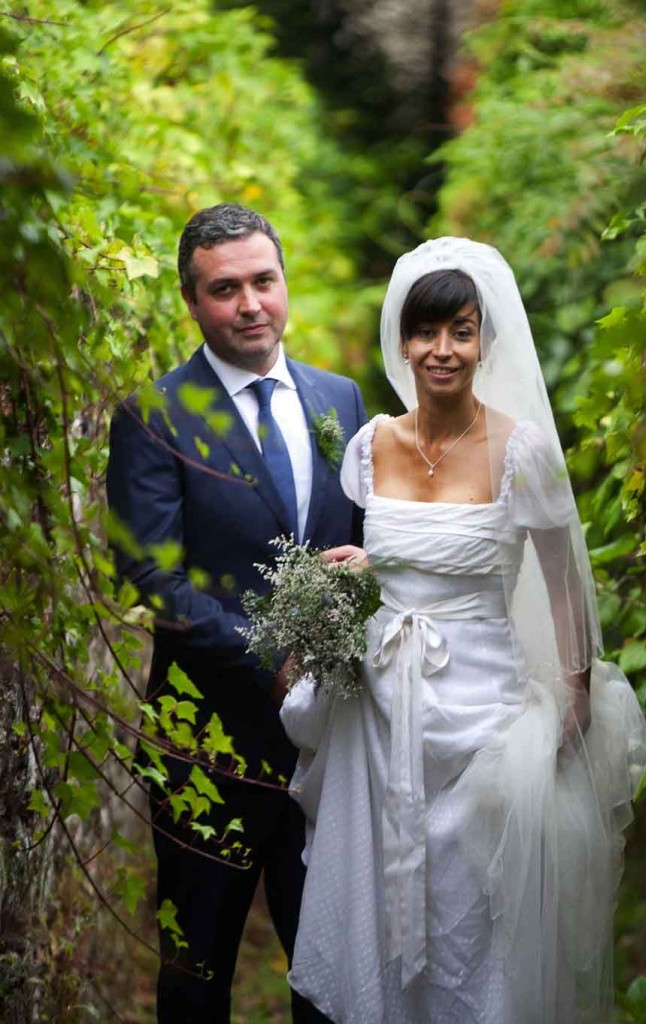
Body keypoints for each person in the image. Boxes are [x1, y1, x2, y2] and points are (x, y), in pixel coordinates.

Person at [280, 237, 646, 1023]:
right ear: (402, 341)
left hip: (483, 707)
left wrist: (576, 688)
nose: (441, 351)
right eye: (425, 332)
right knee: (377, 890)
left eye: (461, 331)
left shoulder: (524, 450)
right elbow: (395, 557)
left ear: (485, 342)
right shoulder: (373, 442)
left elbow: (562, 582)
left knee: (474, 902)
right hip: (378, 708)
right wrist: (361, 571)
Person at [106, 203, 367, 1023]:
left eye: (264, 280)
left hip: (334, 740)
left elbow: (365, 535)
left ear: (285, 282)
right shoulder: (154, 414)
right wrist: (268, 653)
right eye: (226, 289)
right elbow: (150, 573)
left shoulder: (342, 399)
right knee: (197, 972)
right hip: (204, 746)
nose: (251, 303)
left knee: (333, 965)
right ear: (193, 301)